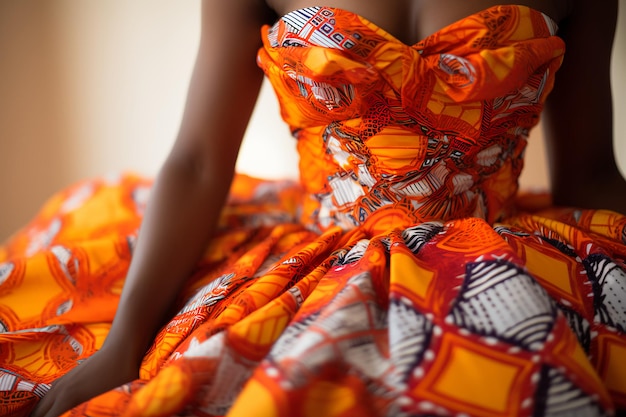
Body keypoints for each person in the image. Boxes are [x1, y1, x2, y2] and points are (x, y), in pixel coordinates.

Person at [0, 0, 624, 416]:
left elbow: (590, 172)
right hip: (309, 256)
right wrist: (125, 342)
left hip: (504, 266)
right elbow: (197, 160)